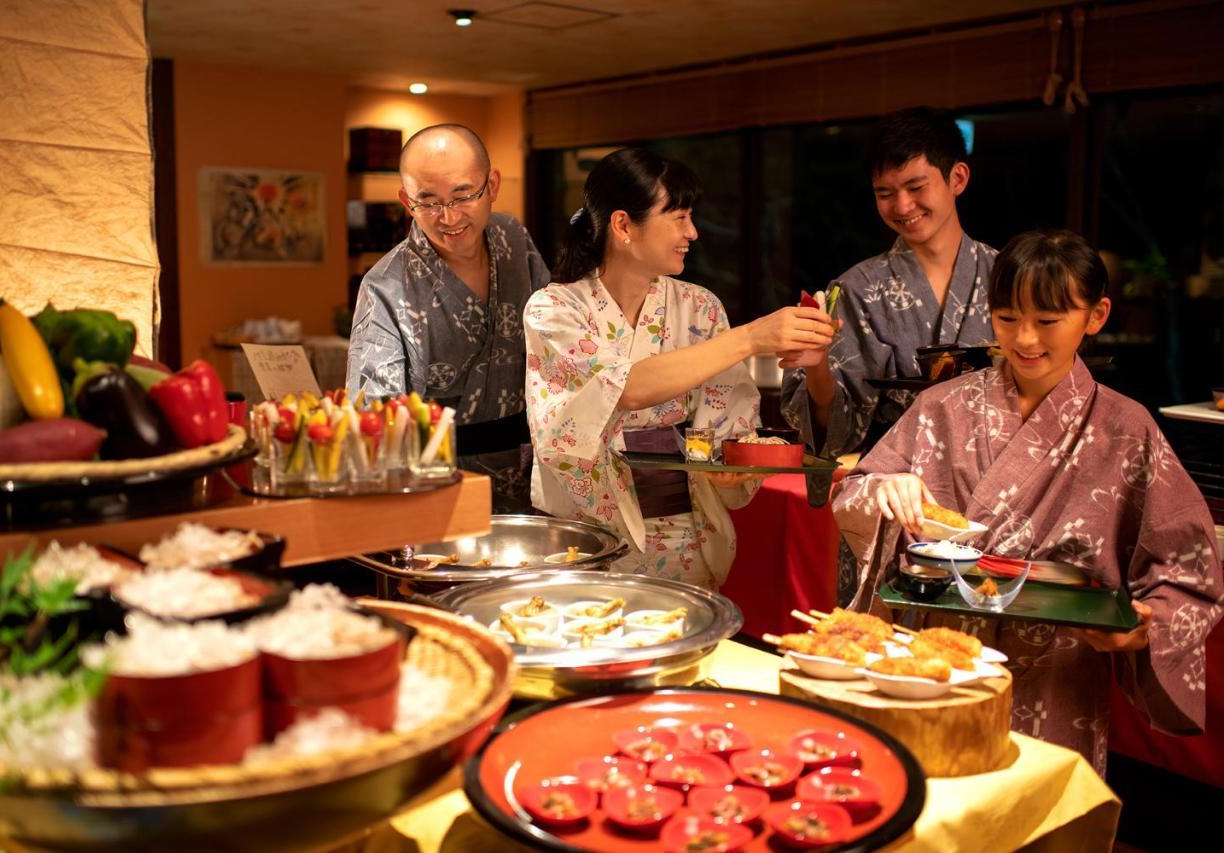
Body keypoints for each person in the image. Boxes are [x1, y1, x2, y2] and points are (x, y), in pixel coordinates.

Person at [832, 229, 1222, 773]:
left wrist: (1142, 625)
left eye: (1048, 320)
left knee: (1033, 812)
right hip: (940, 657)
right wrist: (882, 490)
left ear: (1096, 314)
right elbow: (854, 490)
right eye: (1008, 317)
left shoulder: (1125, 429)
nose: (1025, 339)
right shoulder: (943, 406)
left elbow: (1188, 569)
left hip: (1057, 669)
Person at [524, 148, 835, 589]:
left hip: (684, 534)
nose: (692, 232)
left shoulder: (700, 307)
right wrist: (750, 337)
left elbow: (728, 421)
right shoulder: (554, 308)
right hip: (588, 534)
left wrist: (729, 468)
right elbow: (623, 389)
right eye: (678, 217)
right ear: (623, 225)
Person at [346, 124, 549, 512]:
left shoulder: (513, 240)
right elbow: (373, 420)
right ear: (407, 201)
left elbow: (554, 348)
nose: (449, 216)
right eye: (429, 201)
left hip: (534, 478)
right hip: (438, 486)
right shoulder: (385, 287)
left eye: (463, 196)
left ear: (492, 185)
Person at [781, 107, 997, 460]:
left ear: (957, 178)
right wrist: (817, 365)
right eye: (885, 193)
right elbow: (832, 435)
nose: (903, 205)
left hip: (1000, 477)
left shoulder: (1008, 276)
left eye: (916, 187)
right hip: (895, 485)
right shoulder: (858, 289)